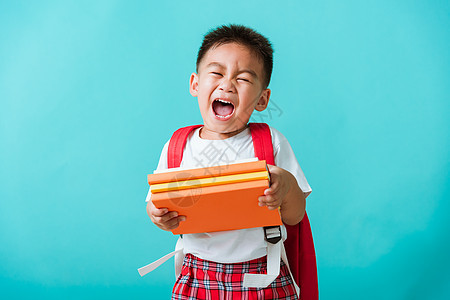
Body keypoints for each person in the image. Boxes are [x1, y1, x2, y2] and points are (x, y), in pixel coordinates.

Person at [146, 24, 312, 299]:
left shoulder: (271, 142)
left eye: (244, 79)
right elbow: (158, 206)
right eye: (216, 73)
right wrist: (158, 215)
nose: (227, 84)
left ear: (262, 99)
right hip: (197, 275)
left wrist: (285, 186)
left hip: (264, 275)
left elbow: (295, 215)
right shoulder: (177, 146)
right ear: (195, 84)